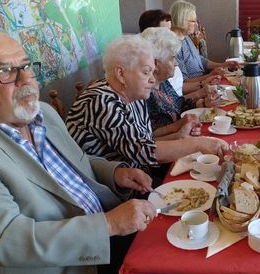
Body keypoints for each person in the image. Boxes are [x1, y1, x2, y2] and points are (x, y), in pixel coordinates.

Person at [0, 26, 157, 274]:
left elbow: (79, 164)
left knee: (175, 251)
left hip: (103, 237)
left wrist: (115, 172)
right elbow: (7, 239)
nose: (26, 80)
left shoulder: (42, 113)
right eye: (5, 72)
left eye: (26, 66)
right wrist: (108, 225)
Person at [65, 34, 228, 178]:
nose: (152, 79)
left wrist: (179, 134)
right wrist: (199, 143)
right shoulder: (100, 100)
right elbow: (145, 152)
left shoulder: (133, 95)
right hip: (108, 195)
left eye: (151, 72)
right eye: (145, 72)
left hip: (140, 179)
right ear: (121, 74)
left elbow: (146, 141)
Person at [141, 27, 220, 133]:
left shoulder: (162, 82)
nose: (176, 63)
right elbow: (149, 135)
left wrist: (204, 104)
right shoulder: (143, 92)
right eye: (172, 58)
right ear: (156, 63)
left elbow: (178, 104)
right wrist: (179, 126)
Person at [169, 0, 238, 82]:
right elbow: (183, 83)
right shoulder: (173, 46)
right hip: (197, 88)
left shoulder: (185, 37)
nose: (196, 25)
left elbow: (200, 60)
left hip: (204, 80)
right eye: (193, 21)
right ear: (182, 20)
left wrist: (223, 65)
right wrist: (210, 75)